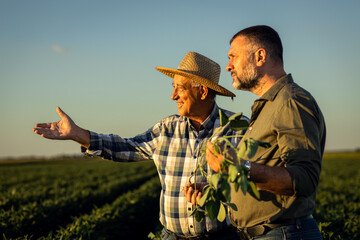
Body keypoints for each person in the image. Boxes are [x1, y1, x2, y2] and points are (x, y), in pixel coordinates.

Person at [33, 52, 248, 239]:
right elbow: (127, 147)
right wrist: (78, 134)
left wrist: (218, 191)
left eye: (179, 88)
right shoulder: (166, 129)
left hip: (223, 236)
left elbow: (257, 182)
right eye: (173, 87)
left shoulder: (238, 128)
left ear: (202, 92)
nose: (173, 96)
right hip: (172, 237)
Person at [201, 26, 326, 239]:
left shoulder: (291, 101)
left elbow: (305, 178)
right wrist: (213, 190)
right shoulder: (269, 106)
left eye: (233, 57)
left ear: (260, 56)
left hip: (284, 233)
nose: (228, 66)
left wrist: (239, 167)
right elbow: (263, 176)